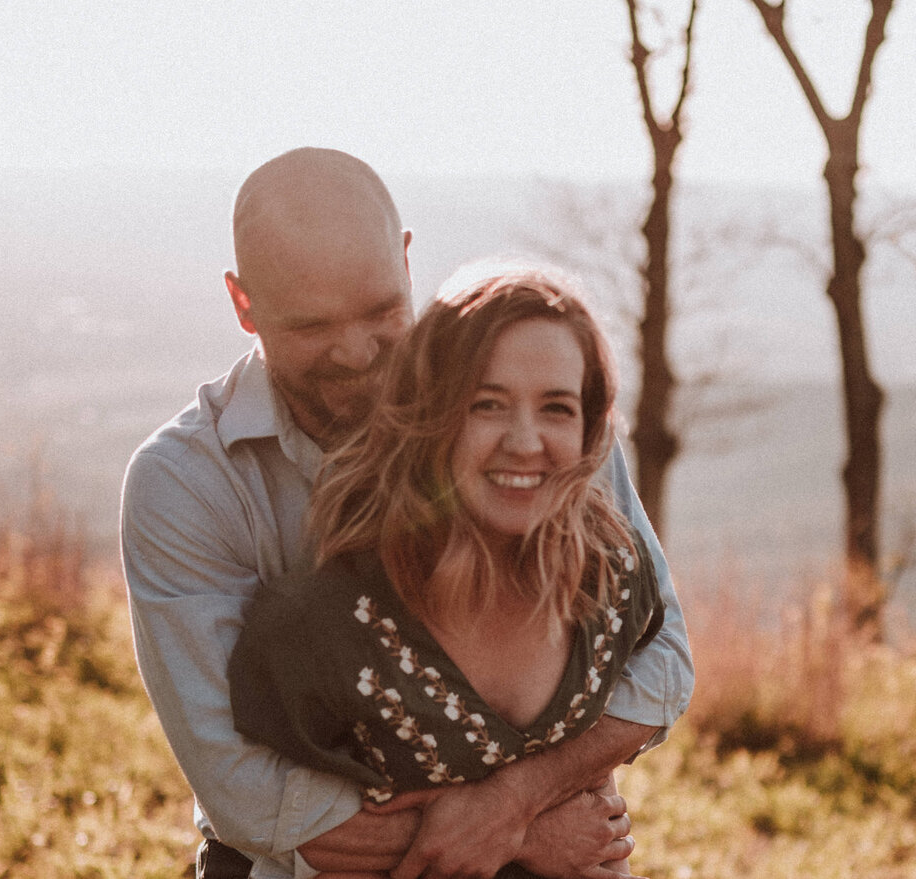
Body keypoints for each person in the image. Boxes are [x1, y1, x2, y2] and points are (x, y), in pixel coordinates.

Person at [120, 149, 693, 879]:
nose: (356, 353)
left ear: (407, 259)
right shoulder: (184, 482)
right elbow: (246, 793)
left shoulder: (526, 413)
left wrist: (516, 800)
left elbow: (664, 659)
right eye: (311, 326)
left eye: (381, 311)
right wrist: (521, 839)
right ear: (243, 303)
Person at [230, 268, 670, 879]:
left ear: (588, 427)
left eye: (557, 408)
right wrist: (528, 836)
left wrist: (530, 802)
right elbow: (280, 826)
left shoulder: (612, 578)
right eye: (487, 404)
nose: (525, 441)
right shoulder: (322, 626)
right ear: (434, 413)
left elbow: (655, 687)